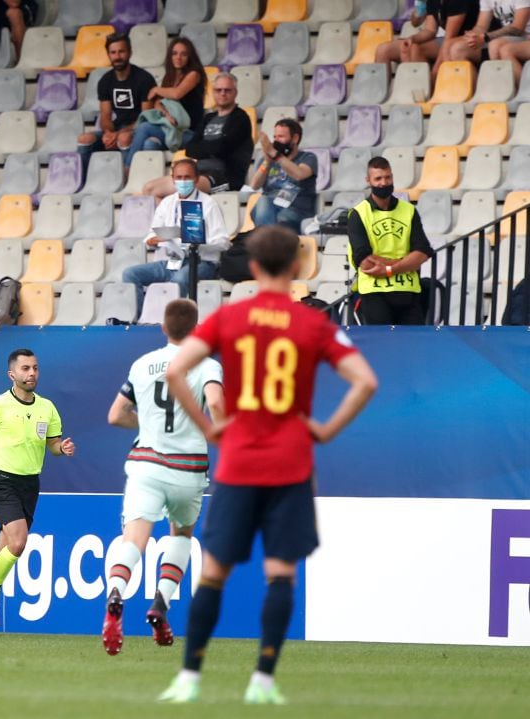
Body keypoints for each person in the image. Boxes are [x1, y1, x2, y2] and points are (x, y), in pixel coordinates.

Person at [159, 225, 378, 705]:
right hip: (291, 464)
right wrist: (325, 429)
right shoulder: (313, 324)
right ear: (298, 267)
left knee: (213, 572)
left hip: (238, 462)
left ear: (253, 269)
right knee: (281, 573)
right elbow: (364, 381)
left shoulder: (229, 318)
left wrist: (210, 427)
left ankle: (189, 677)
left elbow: (177, 370)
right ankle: (262, 679)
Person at [102, 299, 224, 655]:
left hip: (147, 464)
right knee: (181, 535)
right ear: (197, 328)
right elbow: (215, 404)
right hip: (188, 467)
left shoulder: (142, 364)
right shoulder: (207, 365)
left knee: (134, 539)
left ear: (163, 328)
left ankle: (115, 593)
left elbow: (115, 415)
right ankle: (160, 604)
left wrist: (149, 424)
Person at [0, 349, 76, 635]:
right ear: (12, 374)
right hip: (2, 481)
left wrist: (62, 449)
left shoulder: (47, 408)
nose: (32, 373)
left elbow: (52, 444)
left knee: (6, 547)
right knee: (19, 542)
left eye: (35, 367)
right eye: (25, 368)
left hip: (30, 484)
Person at [123, 158, 229, 310]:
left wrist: (196, 241)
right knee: (130, 274)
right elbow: (153, 231)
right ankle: (137, 323)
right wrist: (152, 240)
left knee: (180, 279)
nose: (183, 181)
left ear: (197, 179)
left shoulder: (208, 204)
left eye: (187, 177)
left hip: (202, 262)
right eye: (179, 178)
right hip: (173, 261)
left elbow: (223, 242)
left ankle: (173, 324)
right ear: (172, 179)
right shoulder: (167, 202)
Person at [347, 157, 435, 325]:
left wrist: (389, 269)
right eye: (378, 179)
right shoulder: (358, 213)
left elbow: (423, 252)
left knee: (412, 346)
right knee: (382, 347)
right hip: (374, 293)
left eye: (387, 177)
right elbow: (365, 262)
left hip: (408, 291)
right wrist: (406, 263)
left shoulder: (408, 210)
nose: (383, 183)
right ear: (369, 181)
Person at [76, 33, 157, 178]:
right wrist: (108, 134)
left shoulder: (144, 79)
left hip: (139, 131)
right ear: (108, 55)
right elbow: (105, 115)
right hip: (117, 130)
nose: (117, 56)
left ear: (130, 52)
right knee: (84, 139)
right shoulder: (105, 81)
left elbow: (146, 117)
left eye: (121, 51)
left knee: (124, 138)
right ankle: (85, 181)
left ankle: (128, 180)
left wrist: (117, 135)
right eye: (113, 52)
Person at [125, 37, 205, 168]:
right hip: (171, 129)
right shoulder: (169, 77)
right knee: (149, 144)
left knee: (145, 127)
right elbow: (158, 104)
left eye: (183, 54)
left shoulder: (194, 74)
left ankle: (127, 168)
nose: (178, 57)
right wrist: (167, 115)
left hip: (189, 133)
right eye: (174, 53)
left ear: (190, 57)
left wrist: (156, 89)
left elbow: (177, 93)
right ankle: (144, 182)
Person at [248, 118, 317, 234]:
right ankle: (271, 245)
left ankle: (266, 244)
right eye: (274, 137)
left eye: (281, 137)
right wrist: (267, 162)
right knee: (263, 202)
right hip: (269, 206)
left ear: (295, 138)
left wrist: (276, 156)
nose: (276, 141)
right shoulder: (269, 160)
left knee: (280, 217)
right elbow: (254, 185)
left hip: (296, 210)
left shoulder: (308, 158)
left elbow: (299, 174)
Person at [373, 1, 479, 74]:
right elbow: (430, 30)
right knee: (383, 50)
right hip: (445, 41)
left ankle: (428, 86)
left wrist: (435, 72)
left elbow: (449, 39)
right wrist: (411, 39)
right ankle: (376, 98)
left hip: (466, 41)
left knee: (415, 49)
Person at [448, 0, 530, 66]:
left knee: (495, 45)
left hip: (525, 36)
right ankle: (476, 85)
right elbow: (481, 27)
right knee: (458, 49)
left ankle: (506, 84)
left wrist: (485, 37)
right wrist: (472, 36)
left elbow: (517, 28)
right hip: (507, 37)